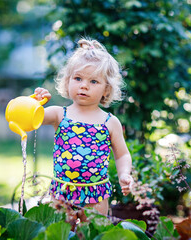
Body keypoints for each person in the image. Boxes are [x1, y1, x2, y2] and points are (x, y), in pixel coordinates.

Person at [34, 38, 133, 216]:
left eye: (93, 81)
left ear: (106, 89)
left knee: (94, 232)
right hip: (62, 191)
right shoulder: (59, 114)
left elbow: (122, 154)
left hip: (96, 193)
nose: (84, 85)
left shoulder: (109, 122)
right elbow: (33, 117)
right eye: (78, 78)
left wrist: (124, 174)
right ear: (68, 81)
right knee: (60, 233)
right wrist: (36, 103)